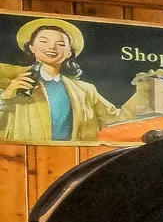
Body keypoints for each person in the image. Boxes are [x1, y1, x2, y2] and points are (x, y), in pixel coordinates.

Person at [0, 18, 144, 144]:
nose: (51, 47)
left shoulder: (85, 90)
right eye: (44, 41)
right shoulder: (9, 79)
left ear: (69, 52)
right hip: (22, 160)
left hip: (75, 160)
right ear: (32, 47)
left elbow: (116, 119)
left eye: (61, 44)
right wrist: (5, 97)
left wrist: (145, 88)